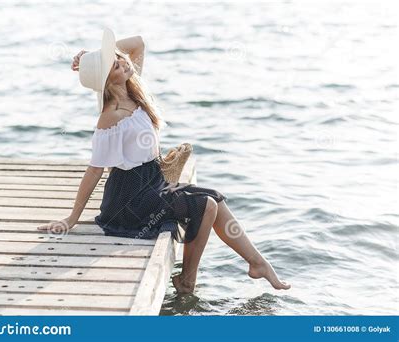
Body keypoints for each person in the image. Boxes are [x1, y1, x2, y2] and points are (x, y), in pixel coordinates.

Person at [37, 28, 291, 294]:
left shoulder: (133, 91)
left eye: (119, 58)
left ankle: (257, 263)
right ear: (107, 80)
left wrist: (94, 55)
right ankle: (187, 282)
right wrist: (72, 218)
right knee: (205, 206)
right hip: (128, 199)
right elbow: (94, 170)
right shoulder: (110, 116)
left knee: (215, 199)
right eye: (115, 65)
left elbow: (138, 43)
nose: (123, 62)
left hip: (152, 182)